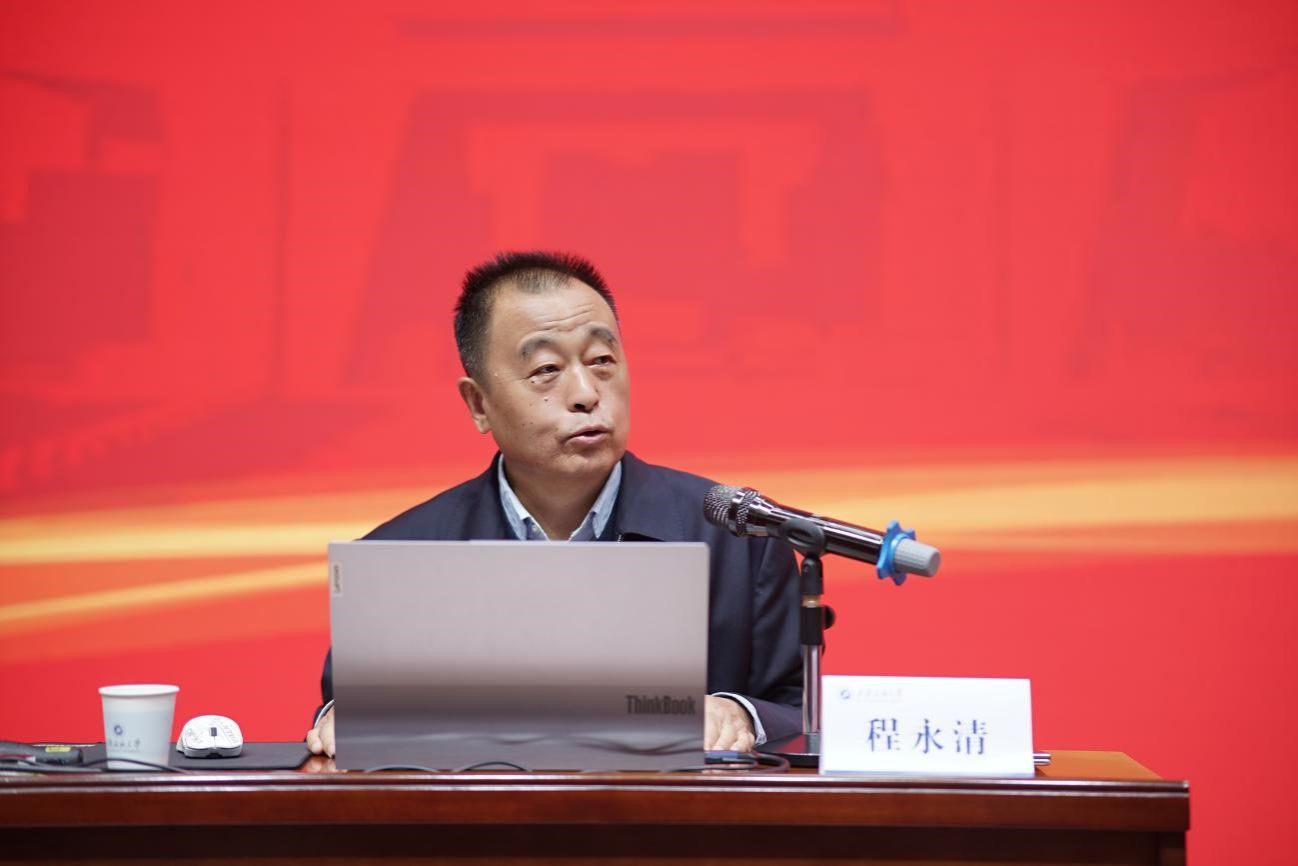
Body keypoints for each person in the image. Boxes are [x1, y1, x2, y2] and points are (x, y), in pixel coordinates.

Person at [306, 251, 802, 757]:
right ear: (478, 404)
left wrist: (739, 713)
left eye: (602, 361)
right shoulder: (401, 556)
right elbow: (344, 714)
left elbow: (799, 714)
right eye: (546, 369)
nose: (586, 393)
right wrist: (341, 719)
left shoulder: (740, 539)